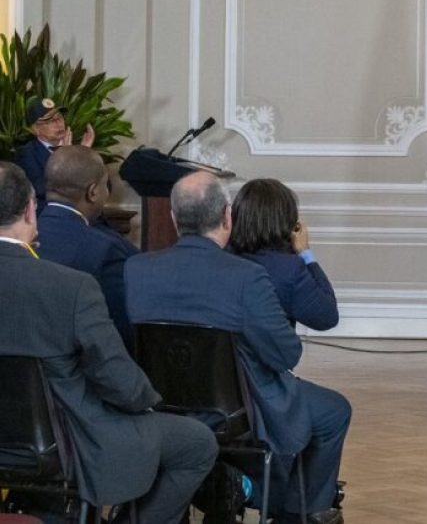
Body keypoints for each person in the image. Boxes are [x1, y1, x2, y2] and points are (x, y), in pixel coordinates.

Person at [124, 171, 350, 524]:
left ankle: (241, 489)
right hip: (237, 410)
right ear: (226, 216)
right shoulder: (245, 277)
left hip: (162, 406)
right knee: (334, 409)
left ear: (172, 217)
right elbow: (286, 355)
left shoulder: (136, 269)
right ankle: (298, 512)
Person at [0, 161, 218, 523]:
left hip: (14, 438)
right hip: (68, 440)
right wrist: (149, 401)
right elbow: (119, 380)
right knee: (197, 443)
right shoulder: (70, 287)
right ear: (29, 209)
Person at [36, 145, 139, 349]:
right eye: (105, 185)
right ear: (93, 192)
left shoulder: (21, 238)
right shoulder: (105, 249)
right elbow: (121, 332)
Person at [230, 178, 339, 332]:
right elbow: (327, 317)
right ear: (287, 223)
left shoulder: (219, 257)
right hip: (268, 354)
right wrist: (305, 253)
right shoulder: (288, 270)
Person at [14, 97, 96, 212]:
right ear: (35, 129)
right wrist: (67, 157)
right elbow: (43, 191)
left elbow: (104, 186)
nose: (59, 124)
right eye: (50, 121)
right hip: (52, 217)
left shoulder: (79, 149)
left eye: (60, 118)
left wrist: (85, 155)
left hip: (90, 217)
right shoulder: (27, 154)